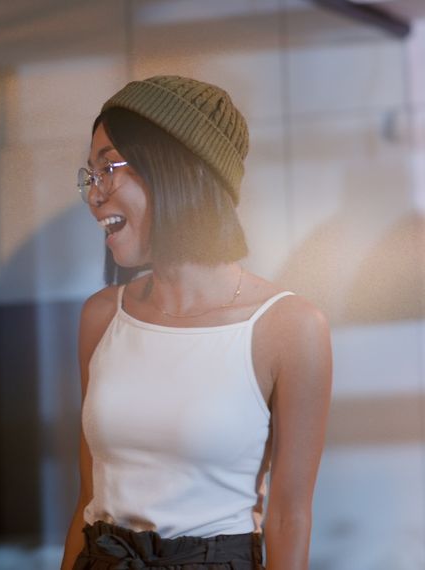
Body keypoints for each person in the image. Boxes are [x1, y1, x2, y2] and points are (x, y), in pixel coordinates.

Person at [61, 76, 332, 569]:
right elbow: (87, 498)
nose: (94, 195)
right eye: (90, 175)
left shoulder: (289, 327)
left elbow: (290, 517)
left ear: (175, 168)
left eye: (108, 168)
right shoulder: (101, 317)